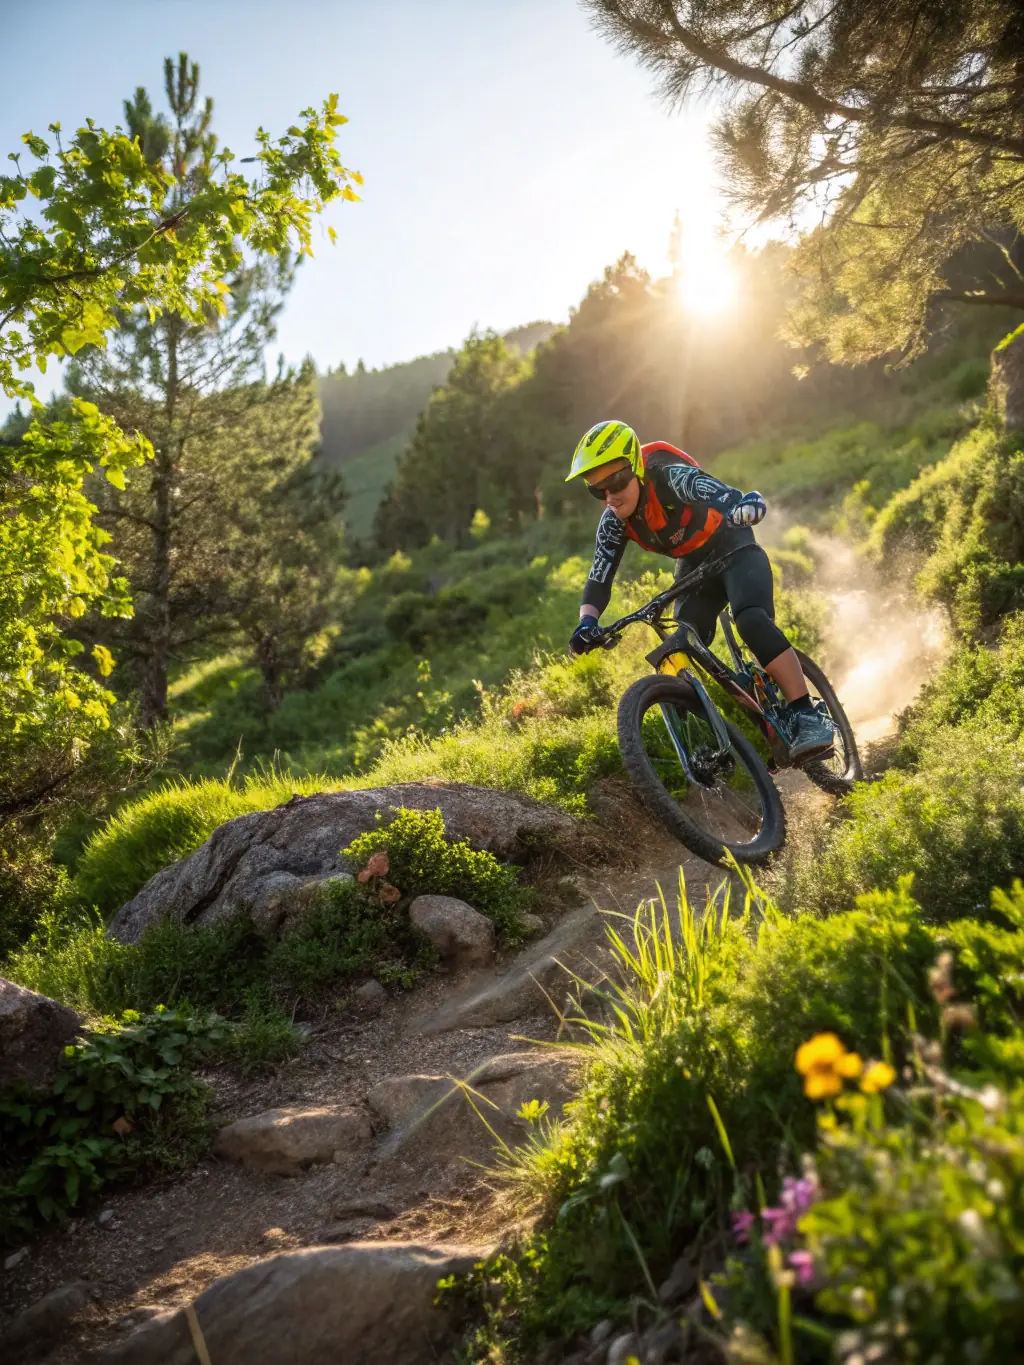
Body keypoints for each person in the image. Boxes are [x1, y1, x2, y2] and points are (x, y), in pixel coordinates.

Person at [565, 419, 835, 763]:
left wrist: (745, 505)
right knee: (682, 648)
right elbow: (599, 576)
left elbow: (722, 494)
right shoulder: (614, 520)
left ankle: (806, 713)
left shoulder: (670, 477)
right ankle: (716, 745)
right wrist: (587, 623)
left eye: (616, 480)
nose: (609, 495)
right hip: (694, 565)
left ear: (635, 466)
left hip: (732, 545)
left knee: (751, 621)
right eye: (595, 488)